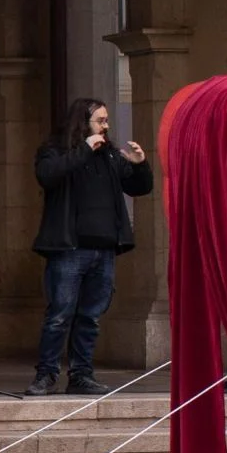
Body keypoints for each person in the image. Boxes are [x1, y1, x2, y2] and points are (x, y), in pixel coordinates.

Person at [29, 97, 155, 396]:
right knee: (60, 314)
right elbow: (48, 175)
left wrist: (140, 166)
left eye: (106, 120)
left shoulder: (109, 156)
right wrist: (85, 149)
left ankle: (81, 375)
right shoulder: (55, 150)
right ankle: (46, 375)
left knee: (90, 317)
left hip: (104, 250)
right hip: (69, 250)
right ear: (83, 122)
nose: (106, 125)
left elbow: (139, 187)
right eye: (100, 120)